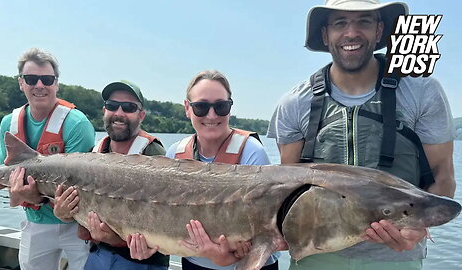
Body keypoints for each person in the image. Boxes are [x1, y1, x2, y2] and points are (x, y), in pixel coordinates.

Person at [267, 0, 456, 269]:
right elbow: (286, 189)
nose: (351, 32)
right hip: (316, 257)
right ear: (325, 34)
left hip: (397, 258)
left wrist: (417, 228)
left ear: (379, 31)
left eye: (363, 21)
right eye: (340, 23)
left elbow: (443, 176)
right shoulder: (295, 102)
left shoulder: (422, 91)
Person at [153, 70, 280, 270]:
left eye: (221, 106)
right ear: (187, 108)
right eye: (201, 107)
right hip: (193, 264)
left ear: (230, 107)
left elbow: (267, 231)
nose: (211, 115)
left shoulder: (252, 152)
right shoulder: (174, 153)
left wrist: (223, 256)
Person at [0, 48, 96, 269]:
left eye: (47, 79)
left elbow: (81, 187)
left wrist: (35, 197)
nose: (39, 85)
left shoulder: (77, 123)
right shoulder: (8, 124)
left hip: (77, 223)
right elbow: (9, 178)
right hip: (35, 222)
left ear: (57, 84)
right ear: (21, 83)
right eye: (31, 79)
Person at [53, 80, 169, 270]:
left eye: (129, 107)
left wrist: (115, 239)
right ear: (104, 111)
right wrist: (63, 213)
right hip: (98, 255)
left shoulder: (154, 154)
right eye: (112, 106)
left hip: (141, 262)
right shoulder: (94, 152)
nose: (119, 113)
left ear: (141, 115)